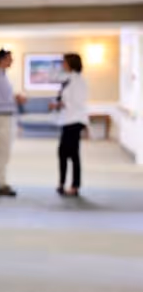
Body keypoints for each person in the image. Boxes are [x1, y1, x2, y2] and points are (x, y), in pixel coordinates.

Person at [0, 49, 26, 196]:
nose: (12, 61)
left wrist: (14, 98)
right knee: (3, 151)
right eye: (9, 58)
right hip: (0, 118)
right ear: (2, 60)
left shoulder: (2, 77)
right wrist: (14, 100)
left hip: (4, 117)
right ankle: (0, 184)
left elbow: (2, 97)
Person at [50, 53, 89, 197]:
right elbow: (52, 77)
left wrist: (60, 103)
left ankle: (74, 186)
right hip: (67, 120)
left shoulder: (79, 80)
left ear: (71, 64)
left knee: (72, 154)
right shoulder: (68, 78)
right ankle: (62, 183)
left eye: (64, 62)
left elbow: (78, 102)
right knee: (62, 153)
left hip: (75, 121)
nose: (62, 65)